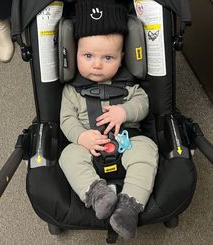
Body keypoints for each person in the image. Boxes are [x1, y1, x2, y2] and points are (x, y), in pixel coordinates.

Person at [59, 0, 159, 240]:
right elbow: (66, 119)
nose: (96, 64)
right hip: (89, 147)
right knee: (68, 156)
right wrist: (81, 136)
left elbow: (143, 104)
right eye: (88, 55)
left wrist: (125, 112)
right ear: (75, 53)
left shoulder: (127, 85)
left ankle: (129, 206)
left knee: (148, 150)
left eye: (108, 58)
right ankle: (98, 194)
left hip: (128, 141)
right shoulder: (72, 90)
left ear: (122, 57)